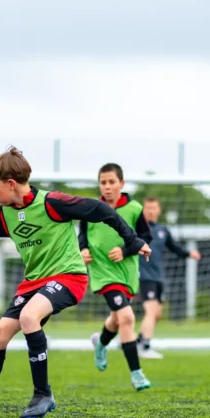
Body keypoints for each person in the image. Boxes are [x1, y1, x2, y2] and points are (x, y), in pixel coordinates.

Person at [0, 147, 151, 418]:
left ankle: (43, 395)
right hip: (33, 283)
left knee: (30, 317)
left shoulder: (53, 203)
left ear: (11, 184)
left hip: (68, 276)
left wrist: (132, 240)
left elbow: (100, 209)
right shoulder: (5, 214)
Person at [81, 164, 154, 389]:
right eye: (103, 182)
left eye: (112, 182)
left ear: (121, 184)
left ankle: (100, 343)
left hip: (127, 273)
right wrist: (83, 249)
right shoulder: (91, 209)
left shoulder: (133, 208)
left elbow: (145, 238)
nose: (107, 186)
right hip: (103, 273)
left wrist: (125, 250)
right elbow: (82, 234)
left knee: (116, 319)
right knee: (127, 318)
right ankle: (137, 374)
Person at [135, 197, 202, 359]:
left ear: (159, 210)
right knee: (150, 311)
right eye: (147, 208)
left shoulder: (163, 230)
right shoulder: (137, 230)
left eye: (153, 208)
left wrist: (189, 254)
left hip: (158, 277)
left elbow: (174, 247)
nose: (150, 211)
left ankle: (136, 342)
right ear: (143, 211)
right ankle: (145, 347)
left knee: (156, 313)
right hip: (144, 276)